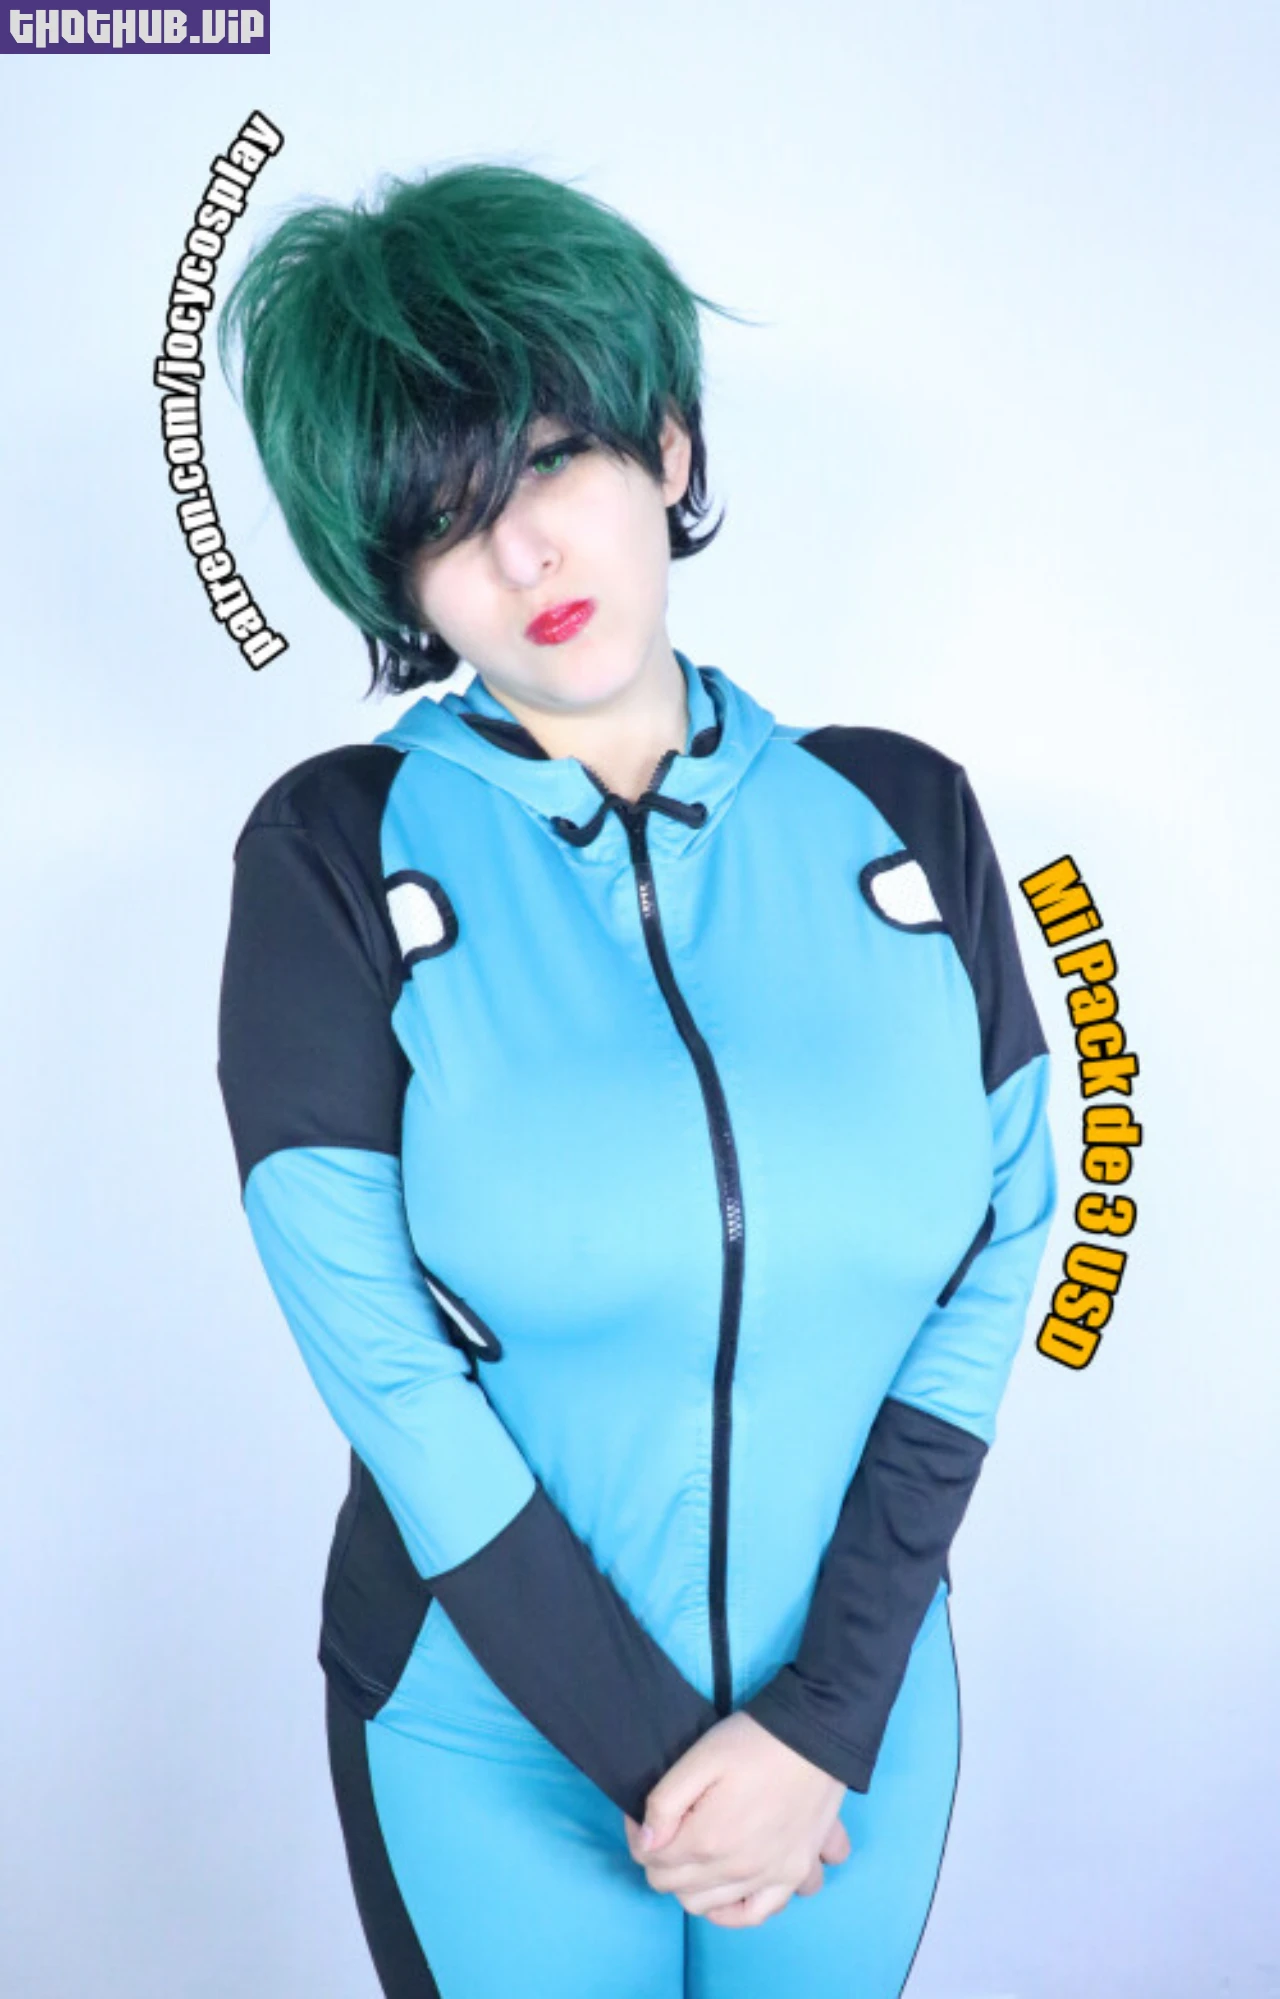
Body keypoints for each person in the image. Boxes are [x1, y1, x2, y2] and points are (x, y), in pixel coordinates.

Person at [215, 161, 1056, 1998]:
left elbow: (1014, 1245)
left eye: (552, 462)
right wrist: (679, 1769)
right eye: (444, 522)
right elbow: (385, 1364)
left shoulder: (903, 813)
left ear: (667, 449)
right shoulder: (333, 854)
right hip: (488, 1735)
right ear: (397, 576)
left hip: (857, 1719)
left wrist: (820, 1723)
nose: (520, 554)